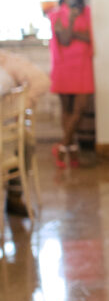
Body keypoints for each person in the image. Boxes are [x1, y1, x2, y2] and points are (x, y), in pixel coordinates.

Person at [47, 0, 94, 167]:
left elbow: (90, 36)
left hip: (83, 65)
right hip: (64, 66)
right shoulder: (56, 15)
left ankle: (61, 146)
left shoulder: (88, 12)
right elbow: (65, 39)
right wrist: (74, 24)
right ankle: (72, 149)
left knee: (79, 109)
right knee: (66, 111)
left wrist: (75, 32)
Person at [0, 49, 50, 216]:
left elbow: (42, 81)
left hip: (6, 134)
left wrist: (23, 105)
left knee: (23, 140)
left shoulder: (8, 63)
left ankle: (15, 194)